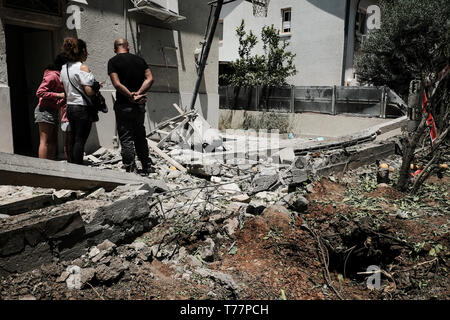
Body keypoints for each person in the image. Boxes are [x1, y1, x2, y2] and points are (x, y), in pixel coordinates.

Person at [108, 38, 155, 174]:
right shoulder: (140, 60)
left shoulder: (113, 61)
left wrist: (130, 96)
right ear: (128, 47)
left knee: (126, 137)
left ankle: (131, 167)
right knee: (140, 135)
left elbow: (116, 84)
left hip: (123, 105)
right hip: (139, 106)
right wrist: (139, 93)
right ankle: (146, 166)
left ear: (115, 49)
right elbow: (150, 78)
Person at [60, 37, 97, 165]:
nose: (87, 54)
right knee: (80, 140)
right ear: (81, 51)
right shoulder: (83, 68)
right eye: (86, 51)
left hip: (70, 106)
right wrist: (96, 87)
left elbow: (65, 92)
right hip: (82, 107)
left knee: (74, 138)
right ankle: (78, 167)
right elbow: (89, 91)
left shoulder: (64, 68)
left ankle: (72, 165)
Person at [35, 53, 68, 160]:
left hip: (53, 109)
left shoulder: (60, 75)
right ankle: (43, 168)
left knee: (53, 140)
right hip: (44, 110)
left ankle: (51, 166)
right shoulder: (53, 76)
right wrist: (58, 95)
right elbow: (40, 92)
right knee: (45, 141)